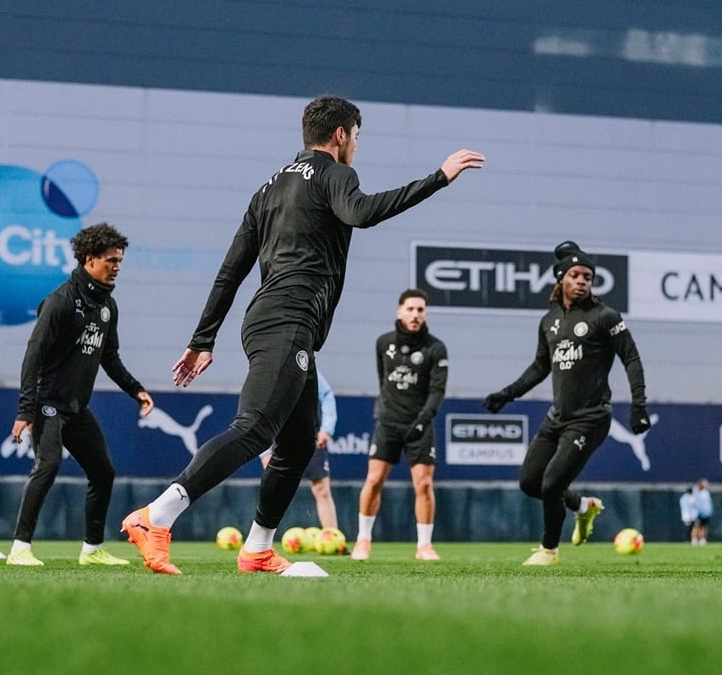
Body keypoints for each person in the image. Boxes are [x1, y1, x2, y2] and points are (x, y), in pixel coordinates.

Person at [121, 95, 483, 575]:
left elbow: (231, 270)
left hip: (272, 321)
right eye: (356, 136)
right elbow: (362, 213)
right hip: (288, 319)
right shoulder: (336, 174)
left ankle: (257, 549)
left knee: (297, 445)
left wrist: (204, 338)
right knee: (254, 429)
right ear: (340, 135)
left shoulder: (268, 188)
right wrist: (438, 178)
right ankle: (157, 515)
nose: (357, 146)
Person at [483, 241, 649, 566]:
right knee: (530, 482)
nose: (582, 281)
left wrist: (639, 405)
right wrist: (507, 394)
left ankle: (549, 551)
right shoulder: (549, 320)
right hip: (557, 418)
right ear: (561, 279)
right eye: (575, 275)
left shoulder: (604, 317)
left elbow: (631, 358)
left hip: (591, 418)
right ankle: (583, 506)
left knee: (552, 483)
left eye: (588, 276)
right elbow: (540, 367)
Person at [7, 223, 154, 567]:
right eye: (111, 260)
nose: (117, 267)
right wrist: (25, 410)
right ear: (89, 260)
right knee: (48, 465)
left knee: (103, 472)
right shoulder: (59, 302)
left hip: (76, 408)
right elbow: (32, 357)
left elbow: (109, 357)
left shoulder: (108, 306)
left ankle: (92, 551)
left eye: (120, 261)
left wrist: (136, 390)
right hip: (47, 404)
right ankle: (19, 548)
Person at [351, 289, 448, 561]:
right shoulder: (384, 343)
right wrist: (388, 411)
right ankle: (363, 540)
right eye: (410, 309)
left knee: (424, 484)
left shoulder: (436, 348)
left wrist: (422, 421)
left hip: (420, 425)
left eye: (420, 310)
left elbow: (437, 391)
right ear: (399, 312)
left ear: (425, 314)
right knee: (374, 480)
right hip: (388, 423)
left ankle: (424, 546)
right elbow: (383, 380)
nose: (415, 315)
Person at [259, 371, 340, 529]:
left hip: (310, 437)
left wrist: (327, 428)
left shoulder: (307, 366)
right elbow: (259, 410)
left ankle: (332, 536)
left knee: (321, 488)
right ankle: (261, 539)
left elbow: (326, 395)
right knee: (273, 492)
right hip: (280, 440)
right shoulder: (267, 369)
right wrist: (265, 452)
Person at [679, 479, 713, 545]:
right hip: (697, 514)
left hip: (705, 513)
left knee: (703, 527)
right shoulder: (694, 492)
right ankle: (694, 539)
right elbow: (692, 504)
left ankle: (702, 539)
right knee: (696, 527)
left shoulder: (705, 492)